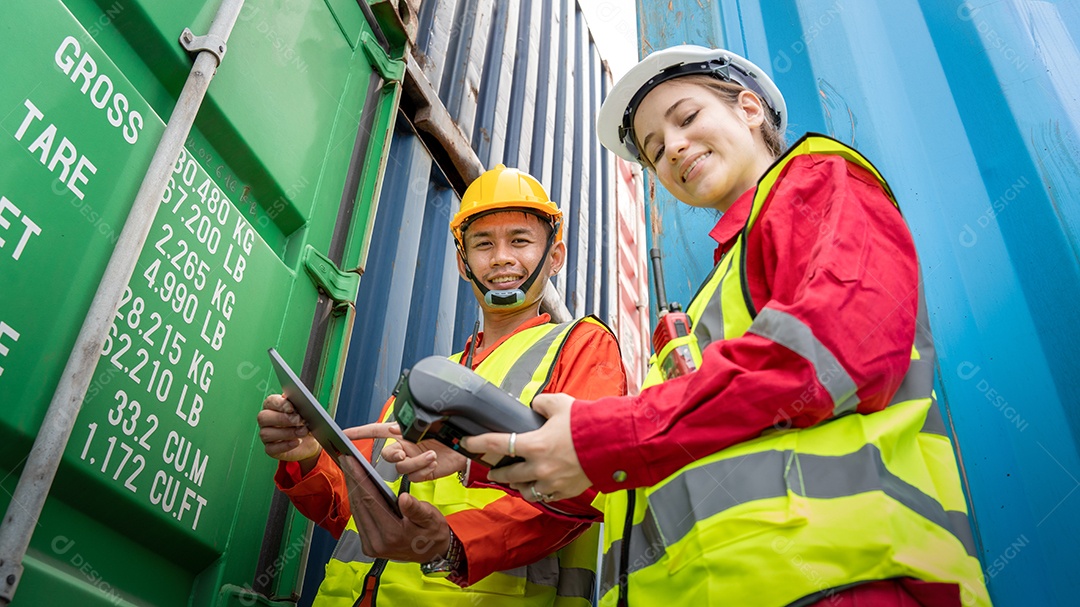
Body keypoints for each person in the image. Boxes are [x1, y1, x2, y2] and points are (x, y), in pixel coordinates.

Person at [461, 46, 993, 607]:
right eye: (655, 150)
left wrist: (604, 437)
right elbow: (667, 454)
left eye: (686, 118)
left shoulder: (817, 183)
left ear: (749, 108)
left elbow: (837, 355)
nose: (674, 148)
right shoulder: (720, 289)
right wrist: (490, 456)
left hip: (847, 581)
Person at [257, 163, 627, 607]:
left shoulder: (581, 345)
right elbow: (365, 518)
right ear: (462, 260)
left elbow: (581, 488)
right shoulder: (423, 379)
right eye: (483, 244)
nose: (502, 258)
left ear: (555, 255)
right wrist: (309, 458)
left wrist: (448, 543)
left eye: (521, 241)